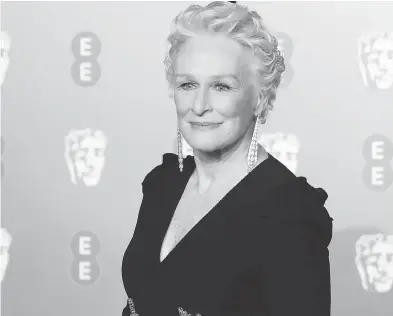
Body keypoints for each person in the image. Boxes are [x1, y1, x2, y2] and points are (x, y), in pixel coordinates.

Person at [121, 2, 333, 315]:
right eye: (188, 84)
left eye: (221, 86)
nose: (200, 104)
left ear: (260, 97)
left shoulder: (289, 215)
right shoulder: (163, 183)